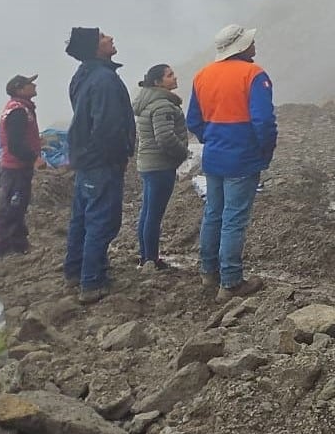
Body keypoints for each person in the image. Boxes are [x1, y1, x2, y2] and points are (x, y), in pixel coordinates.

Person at [187, 24, 276, 300]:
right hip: (243, 157)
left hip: (214, 157)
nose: (254, 45)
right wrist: (264, 151)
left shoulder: (202, 76)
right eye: (250, 42)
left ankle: (208, 272)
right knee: (234, 218)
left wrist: (212, 139)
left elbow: (193, 121)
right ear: (241, 46)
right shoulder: (254, 75)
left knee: (214, 213)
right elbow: (263, 122)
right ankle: (231, 281)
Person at [61, 27, 135, 304]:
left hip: (85, 160)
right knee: (101, 221)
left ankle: (74, 271)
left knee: (82, 218)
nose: (111, 38)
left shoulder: (83, 76)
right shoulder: (104, 79)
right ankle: (92, 281)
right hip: (101, 162)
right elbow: (107, 126)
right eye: (104, 37)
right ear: (95, 47)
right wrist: (118, 156)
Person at [133, 63, 188, 270]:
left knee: (147, 211)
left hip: (147, 164)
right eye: (169, 75)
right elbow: (165, 138)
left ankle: (145, 256)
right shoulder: (163, 105)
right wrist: (183, 152)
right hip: (160, 165)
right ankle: (151, 260)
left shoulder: (148, 103)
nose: (174, 78)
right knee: (153, 214)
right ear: (157, 82)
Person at [0, 73, 42, 256]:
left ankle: (19, 244)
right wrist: (34, 158)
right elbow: (15, 144)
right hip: (15, 169)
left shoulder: (20, 108)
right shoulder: (18, 110)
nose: (34, 86)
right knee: (12, 207)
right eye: (30, 84)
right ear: (20, 89)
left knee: (18, 206)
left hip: (16, 168)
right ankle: (3, 247)